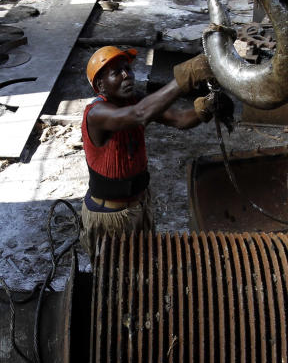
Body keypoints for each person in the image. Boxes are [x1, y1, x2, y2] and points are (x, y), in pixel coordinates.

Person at [79, 46, 231, 256]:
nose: (126, 76)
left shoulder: (136, 101)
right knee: (114, 280)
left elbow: (179, 119)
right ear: (100, 85)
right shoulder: (96, 114)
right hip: (110, 215)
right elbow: (139, 114)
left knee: (143, 269)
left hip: (138, 206)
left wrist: (206, 106)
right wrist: (184, 78)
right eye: (116, 73)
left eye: (127, 69)